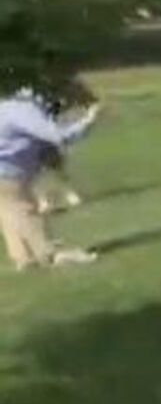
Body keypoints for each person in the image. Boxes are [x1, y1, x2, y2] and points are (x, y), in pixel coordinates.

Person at [1, 87, 100, 269]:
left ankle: (24, 258)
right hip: (9, 172)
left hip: (8, 169)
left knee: (9, 211)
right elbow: (59, 136)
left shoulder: (5, 107)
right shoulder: (22, 109)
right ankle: (52, 254)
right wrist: (89, 121)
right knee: (25, 209)